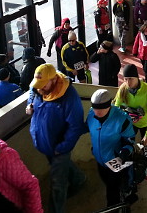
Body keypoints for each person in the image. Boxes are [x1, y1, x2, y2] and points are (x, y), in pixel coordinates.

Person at [26, 63, 86, 213]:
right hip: (45, 143)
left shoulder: (69, 97)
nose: (40, 89)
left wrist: (63, 147)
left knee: (57, 184)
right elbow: (32, 91)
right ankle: (79, 180)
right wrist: (29, 104)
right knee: (61, 167)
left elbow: (76, 126)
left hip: (60, 146)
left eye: (43, 85)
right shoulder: (40, 87)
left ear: (54, 80)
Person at [85, 89, 135, 208]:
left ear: (109, 106)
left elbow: (130, 140)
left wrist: (126, 150)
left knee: (112, 192)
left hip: (115, 161)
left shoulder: (122, 119)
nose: (97, 111)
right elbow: (86, 127)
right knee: (107, 183)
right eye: (95, 108)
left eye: (101, 108)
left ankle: (114, 207)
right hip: (100, 160)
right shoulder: (91, 114)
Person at [113, 64, 147, 147]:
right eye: (125, 79)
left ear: (137, 77)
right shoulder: (123, 88)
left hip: (145, 123)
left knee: (146, 147)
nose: (128, 82)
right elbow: (116, 108)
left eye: (130, 79)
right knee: (127, 145)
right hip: (130, 123)